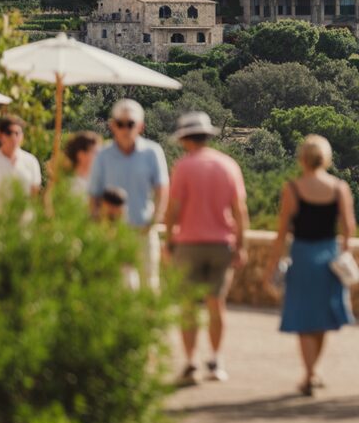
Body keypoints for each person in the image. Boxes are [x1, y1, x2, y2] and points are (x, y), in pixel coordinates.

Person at [265, 134, 356, 397]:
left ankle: (309, 373)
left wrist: (272, 265)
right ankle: (313, 371)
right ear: (326, 158)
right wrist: (345, 255)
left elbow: (282, 232)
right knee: (321, 319)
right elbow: (349, 228)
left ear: (301, 158)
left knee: (304, 319)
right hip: (329, 256)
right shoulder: (340, 188)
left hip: (303, 256)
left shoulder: (292, 189)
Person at [164, 112, 249, 387]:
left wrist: (169, 241)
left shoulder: (183, 167)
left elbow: (173, 209)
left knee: (188, 306)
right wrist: (242, 245)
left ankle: (190, 363)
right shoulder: (228, 165)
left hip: (188, 242)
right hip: (221, 243)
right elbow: (240, 210)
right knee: (217, 304)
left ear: (185, 138)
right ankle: (215, 360)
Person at [88, 99, 169, 291]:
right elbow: (94, 194)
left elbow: (162, 189)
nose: (125, 128)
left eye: (130, 123)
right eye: (120, 123)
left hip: (143, 230)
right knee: (118, 288)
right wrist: (98, 225)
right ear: (112, 125)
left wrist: (154, 221)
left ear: (140, 126)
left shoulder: (152, 152)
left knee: (149, 286)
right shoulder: (103, 155)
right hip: (113, 232)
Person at [0, 116, 42, 208]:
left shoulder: (31, 162)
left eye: (17, 133)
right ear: (0, 136)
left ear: (22, 136)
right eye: (9, 133)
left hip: (26, 219)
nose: (13, 137)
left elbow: (34, 195)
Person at [64, 131, 101, 198]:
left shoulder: (98, 182)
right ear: (81, 155)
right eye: (95, 152)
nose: (99, 156)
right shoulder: (71, 186)